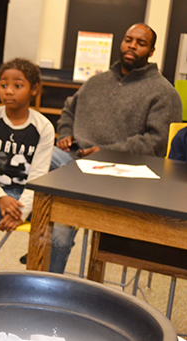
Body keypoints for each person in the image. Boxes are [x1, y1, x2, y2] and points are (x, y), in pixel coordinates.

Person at [49, 23, 182, 273]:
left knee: (60, 227)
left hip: (119, 173)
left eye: (140, 43)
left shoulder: (164, 92)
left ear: (151, 51)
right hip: (74, 161)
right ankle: (25, 213)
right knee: (40, 152)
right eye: (128, 39)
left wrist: (106, 152)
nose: (132, 45)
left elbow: (156, 141)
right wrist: (65, 132)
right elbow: (69, 108)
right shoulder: (97, 81)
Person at [0, 58, 55, 268]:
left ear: (34, 90)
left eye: (18, 85)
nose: (8, 91)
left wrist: (21, 211)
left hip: (32, 196)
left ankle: (43, 284)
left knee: (58, 233)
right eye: (4, 85)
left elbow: (39, 175)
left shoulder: (44, 127)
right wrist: (0, 198)